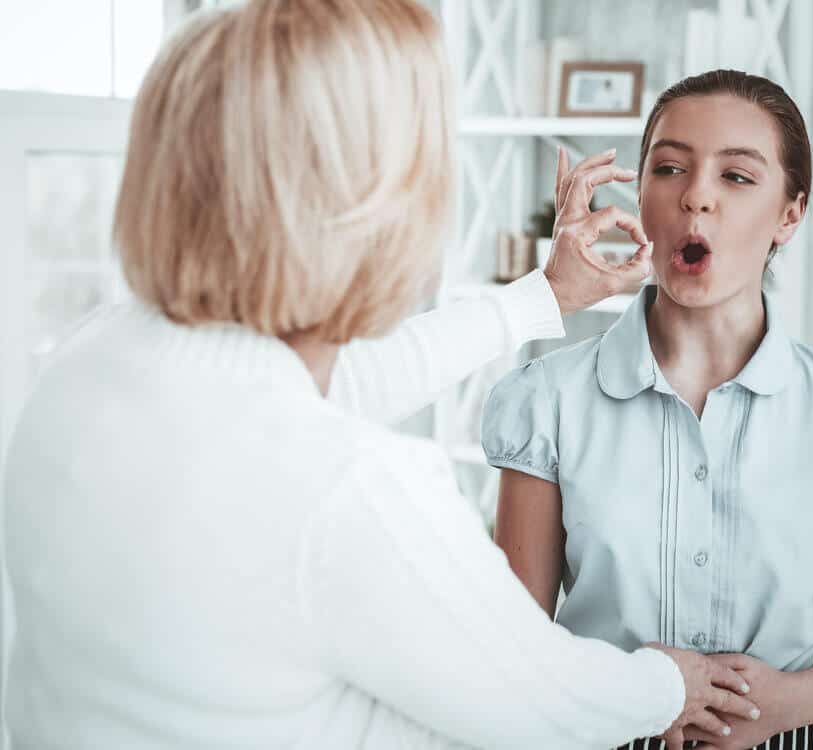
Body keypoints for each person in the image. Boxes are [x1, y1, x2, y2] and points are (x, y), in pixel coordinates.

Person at [0, 4, 762, 749]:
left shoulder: (88, 365)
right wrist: (668, 684)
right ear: (366, 207)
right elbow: (542, 700)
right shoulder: (344, 490)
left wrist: (546, 296)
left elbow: (331, 387)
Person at [483, 70, 813, 750]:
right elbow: (515, 648)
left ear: (790, 214)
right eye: (668, 168)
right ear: (641, 195)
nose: (695, 196)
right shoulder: (547, 402)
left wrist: (791, 702)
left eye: (737, 178)